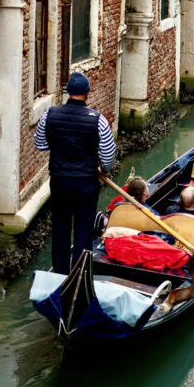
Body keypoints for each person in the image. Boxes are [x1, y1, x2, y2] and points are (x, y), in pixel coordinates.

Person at [34, 71, 116, 274]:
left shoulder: (49, 115)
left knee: (60, 228)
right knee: (83, 229)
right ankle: (80, 275)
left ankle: (60, 274)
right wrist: (103, 169)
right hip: (86, 183)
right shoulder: (98, 121)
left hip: (60, 181)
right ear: (87, 93)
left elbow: (40, 144)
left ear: (67, 92)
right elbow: (108, 155)